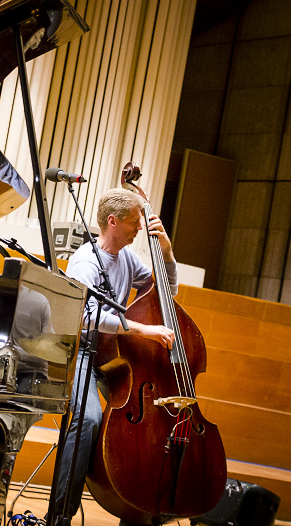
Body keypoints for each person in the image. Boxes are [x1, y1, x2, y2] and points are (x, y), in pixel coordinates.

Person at [51, 187, 177, 526]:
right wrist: (142, 329)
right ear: (113, 221)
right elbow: (84, 316)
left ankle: (135, 513)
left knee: (147, 425)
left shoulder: (128, 259)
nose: (140, 228)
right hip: (80, 354)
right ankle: (60, 515)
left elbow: (166, 293)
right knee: (89, 420)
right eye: (135, 222)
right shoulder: (85, 262)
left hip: (114, 357)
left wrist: (166, 253)